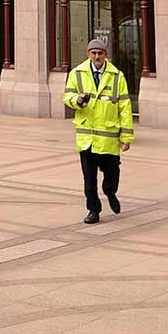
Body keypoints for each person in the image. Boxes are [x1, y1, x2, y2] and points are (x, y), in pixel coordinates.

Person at [61, 37, 134, 223]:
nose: (97, 56)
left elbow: (125, 107)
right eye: (93, 53)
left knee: (112, 176)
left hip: (109, 138)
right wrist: (76, 100)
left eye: (100, 53)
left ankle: (110, 193)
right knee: (89, 179)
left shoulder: (117, 76)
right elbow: (67, 96)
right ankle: (93, 210)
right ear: (88, 54)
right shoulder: (77, 73)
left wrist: (127, 136)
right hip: (87, 138)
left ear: (105, 55)